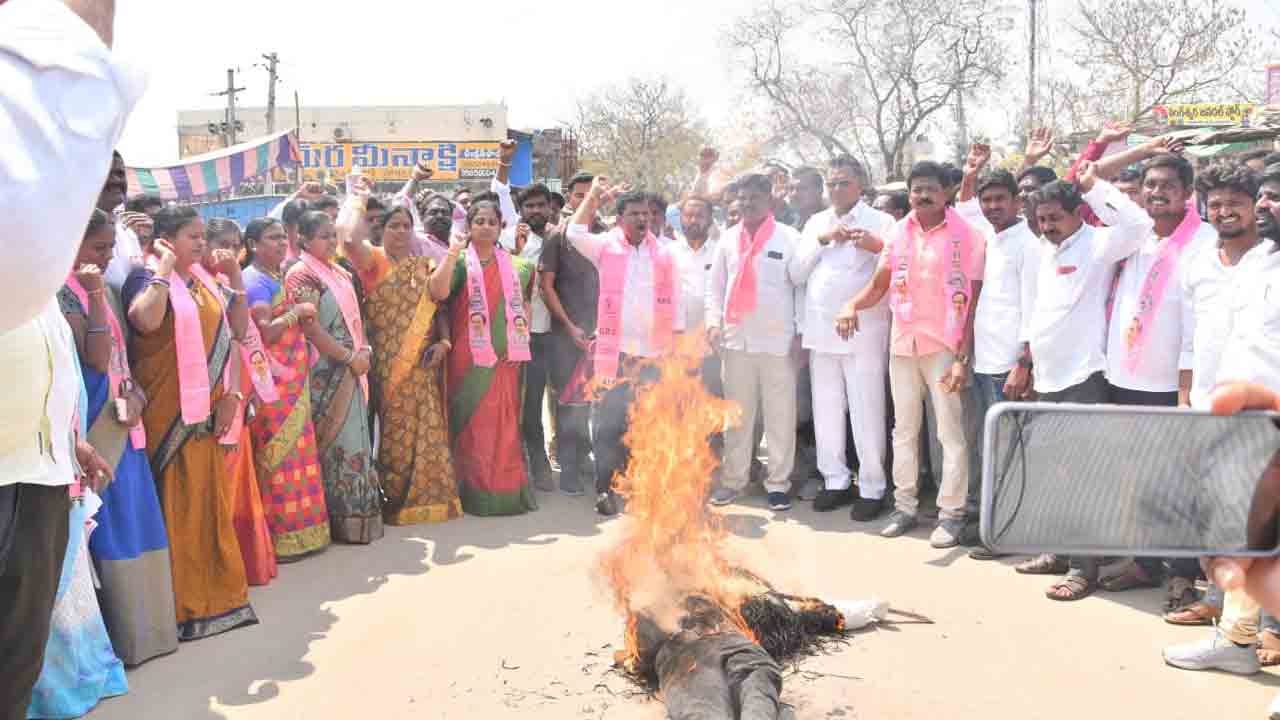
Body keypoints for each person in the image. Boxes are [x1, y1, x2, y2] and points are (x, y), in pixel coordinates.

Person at [1010, 167, 1154, 600]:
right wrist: (1025, 363)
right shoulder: (1042, 250)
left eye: (1055, 217)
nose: (1047, 225)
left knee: (1083, 478)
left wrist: (1094, 187)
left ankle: (1083, 568)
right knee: (1054, 474)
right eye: (1041, 219)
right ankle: (1058, 551)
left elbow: (1139, 224)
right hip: (1047, 376)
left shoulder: (1098, 244)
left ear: (1078, 214)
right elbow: (1036, 312)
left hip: (1084, 377)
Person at [122, 205, 260, 640]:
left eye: (203, 236)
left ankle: (218, 599)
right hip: (171, 420)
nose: (201, 244)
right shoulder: (145, 278)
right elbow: (145, 321)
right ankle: (180, 607)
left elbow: (236, 334)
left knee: (208, 508)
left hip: (209, 413)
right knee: (177, 512)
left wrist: (233, 396)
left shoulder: (207, 283)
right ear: (165, 239)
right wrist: (163, 266)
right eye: (191, 237)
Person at [1163, 163, 1278, 672]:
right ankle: (1236, 641)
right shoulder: (1198, 264)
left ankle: (1241, 639)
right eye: (1216, 201)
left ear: (1258, 204)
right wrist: (1187, 400)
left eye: (1237, 199)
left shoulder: (1275, 259)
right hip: (1214, 413)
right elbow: (1192, 339)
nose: (1225, 209)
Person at [835, 161, 986, 549]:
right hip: (903, 345)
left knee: (949, 434)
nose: (922, 195)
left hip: (944, 347)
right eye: (917, 188)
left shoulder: (967, 235)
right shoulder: (898, 232)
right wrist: (852, 304)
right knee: (904, 431)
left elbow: (973, 302)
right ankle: (905, 507)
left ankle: (951, 514)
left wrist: (962, 357)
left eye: (931, 188)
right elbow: (878, 285)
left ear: (948, 192)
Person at [59, 210, 179, 667]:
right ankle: (122, 641)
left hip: (123, 417)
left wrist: (138, 393)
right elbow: (95, 357)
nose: (106, 256)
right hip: (92, 425)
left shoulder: (105, 290)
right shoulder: (60, 296)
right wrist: (91, 295)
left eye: (110, 248)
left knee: (136, 518)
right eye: (97, 248)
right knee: (105, 527)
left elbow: (121, 357)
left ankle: (151, 634)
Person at [339, 181, 462, 526]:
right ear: (381, 229)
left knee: (428, 429)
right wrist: (358, 198)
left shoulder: (422, 264)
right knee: (393, 432)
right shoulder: (373, 260)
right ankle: (393, 499)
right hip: (384, 363)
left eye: (407, 226)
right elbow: (348, 240)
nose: (401, 232)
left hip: (422, 362)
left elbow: (439, 298)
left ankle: (430, 498)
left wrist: (445, 342)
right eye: (394, 225)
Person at [564, 182, 684, 516]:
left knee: (646, 421)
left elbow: (677, 301)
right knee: (607, 424)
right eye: (634, 214)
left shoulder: (665, 252)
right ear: (620, 219)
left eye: (646, 214)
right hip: (614, 354)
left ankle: (641, 485)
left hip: (654, 353)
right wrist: (593, 198)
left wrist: (677, 341)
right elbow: (573, 233)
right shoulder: (605, 246)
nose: (642, 219)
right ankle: (604, 489)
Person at [791, 155, 895, 520]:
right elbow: (796, 273)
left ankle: (872, 486)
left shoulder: (882, 222)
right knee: (826, 409)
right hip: (821, 330)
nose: (837, 190)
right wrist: (823, 240)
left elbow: (898, 265)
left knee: (866, 409)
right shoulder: (816, 222)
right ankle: (834, 480)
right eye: (832, 183)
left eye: (844, 183)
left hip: (863, 329)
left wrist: (876, 245)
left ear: (861, 185)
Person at [951, 146, 1040, 557]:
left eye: (1000, 199)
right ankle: (988, 521)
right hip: (983, 360)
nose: (991, 207)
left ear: (1017, 201)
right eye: (987, 200)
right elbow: (964, 204)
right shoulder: (989, 235)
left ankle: (1004, 530)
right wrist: (972, 172)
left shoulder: (1029, 244)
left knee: (1007, 450)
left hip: (1009, 365)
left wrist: (1023, 363)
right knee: (987, 447)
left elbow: (1033, 307)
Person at [429, 193, 537, 515]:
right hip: (468, 357)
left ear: (501, 226)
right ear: (469, 226)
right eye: (479, 221)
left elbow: (526, 306)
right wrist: (451, 253)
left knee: (504, 426)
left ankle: (504, 492)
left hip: (507, 359)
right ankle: (472, 493)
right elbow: (438, 294)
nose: (486, 227)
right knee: (473, 427)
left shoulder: (521, 267)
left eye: (492, 222)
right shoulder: (459, 263)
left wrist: (521, 340)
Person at [285, 211, 385, 543]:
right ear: (304, 240)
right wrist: (347, 358)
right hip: (325, 373)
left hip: (353, 367)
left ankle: (362, 518)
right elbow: (310, 329)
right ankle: (339, 520)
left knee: (358, 437)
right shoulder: (301, 276)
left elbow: (357, 319)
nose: (331, 241)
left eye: (333, 235)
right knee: (337, 444)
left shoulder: (340, 272)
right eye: (323, 236)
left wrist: (364, 351)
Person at [240, 218, 333, 561]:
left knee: (301, 456)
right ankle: (280, 539)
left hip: (293, 381)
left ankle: (305, 533)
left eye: (283, 237)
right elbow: (266, 333)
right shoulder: (254, 282)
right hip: (271, 386)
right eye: (272, 238)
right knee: (278, 457)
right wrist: (296, 313)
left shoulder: (278, 276)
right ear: (252, 245)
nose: (281, 243)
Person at [706, 172, 801, 512]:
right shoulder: (728, 239)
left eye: (754, 198)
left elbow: (800, 287)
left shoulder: (789, 238)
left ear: (770, 200)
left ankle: (778, 483)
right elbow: (715, 287)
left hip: (778, 343)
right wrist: (711, 324)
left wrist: (800, 333)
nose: (746, 204)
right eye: (742, 199)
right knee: (737, 418)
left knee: (779, 418)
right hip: (735, 341)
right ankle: (734, 481)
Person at [492, 142, 556, 491]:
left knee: (536, 404)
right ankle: (516, 467)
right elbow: (499, 192)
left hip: (546, 335)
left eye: (540, 205)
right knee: (513, 405)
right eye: (529, 205)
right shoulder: (506, 238)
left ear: (550, 208)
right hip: (513, 336)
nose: (535, 210)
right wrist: (504, 162)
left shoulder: (561, 239)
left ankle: (541, 462)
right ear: (520, 210)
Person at [541, 179, 603, 497]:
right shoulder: (557, 235)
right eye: (580, 195)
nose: (587, 201)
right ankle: (569, 468)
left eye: (593, 195)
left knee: (603, 403)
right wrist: (568, 325)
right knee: (569, 403)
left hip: (604, 336)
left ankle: (595, 464)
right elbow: (546, 285)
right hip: (567, 336)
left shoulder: (608, 234)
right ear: (570, 197)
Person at [788, 166, 828, 231]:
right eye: (791, 188)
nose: (794, 194)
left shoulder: (832, 223)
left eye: (801, 188)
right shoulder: (790, 227)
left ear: (819, 190)